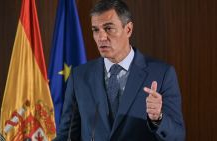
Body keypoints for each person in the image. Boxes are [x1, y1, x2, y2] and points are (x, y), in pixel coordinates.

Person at [53, 0, 185, 140]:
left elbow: (177, 136)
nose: (101, 37)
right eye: (95, 30)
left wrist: (158, 118)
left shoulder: (162, 74)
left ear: (128, 29)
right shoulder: (79, 76)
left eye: (108, 28)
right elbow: (66, 136)